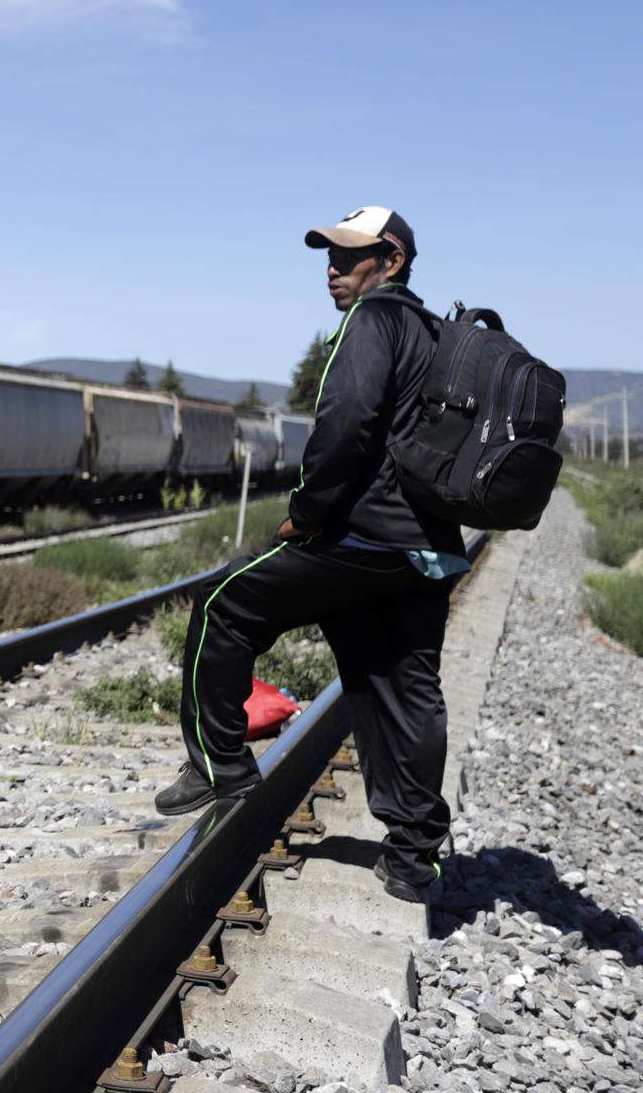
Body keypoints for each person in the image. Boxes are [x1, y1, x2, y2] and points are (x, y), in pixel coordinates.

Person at [158, 206, 467, 905]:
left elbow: (346, 421)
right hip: (425, 548)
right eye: (327, 255)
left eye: (349, 255)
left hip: (361, 537)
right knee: (401, 686)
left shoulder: (374, 320)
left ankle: (219, 764)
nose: (332, 267)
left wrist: (306, 512)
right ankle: (413, 857)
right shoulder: (436, 333)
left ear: (391, 260)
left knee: (222, 605)